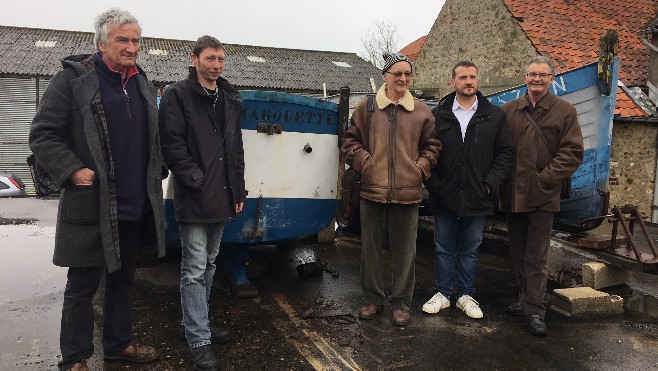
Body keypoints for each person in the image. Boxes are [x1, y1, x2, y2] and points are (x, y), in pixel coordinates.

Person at [28, 8, 166, 371]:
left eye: (136, 40)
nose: (131, 47)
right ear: (102, 42)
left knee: (124, 281)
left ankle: (118, 344)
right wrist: (72, 169)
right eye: (123, 39)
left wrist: (158, 166)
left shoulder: (141, 83)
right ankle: (74, 358)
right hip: (93, 202)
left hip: (136, 203)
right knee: (82, 287)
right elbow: (43, 134)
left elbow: (150, 138)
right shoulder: (73, 80)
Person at [158, 35, 247, 371]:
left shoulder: (227, 97)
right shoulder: (177, 95)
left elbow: (235, 150)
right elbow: (172, 145)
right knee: (194, 269)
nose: (217, 65)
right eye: (210, 59)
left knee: (209, 263)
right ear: (193, 58)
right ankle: (197, 340)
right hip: (196, 195)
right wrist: (195, 180)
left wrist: (238, 192)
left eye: (221, 59)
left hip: (223, 194)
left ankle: (199, 327)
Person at [341, 52, 441, 327]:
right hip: (372, 190)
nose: (403, 78)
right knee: (370, 250)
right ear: (385, 76)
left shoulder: (420, 110)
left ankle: (401, 303)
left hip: (408, 194)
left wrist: (419, 168)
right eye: (397, 73)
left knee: (405, 251)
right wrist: (366, 163)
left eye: (407, 74)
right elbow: (350, 142)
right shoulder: (367, 108)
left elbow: (432, 147)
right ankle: (373, 299)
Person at [500, 56, 584, 336]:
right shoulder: (510, 110)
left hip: (544, 195)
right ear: (525, 77)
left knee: (537, 255)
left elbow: (572, 152)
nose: (537, 79)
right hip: (513, 193)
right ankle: (527, 299)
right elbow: (500, 150)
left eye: (542, 75)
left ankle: (535, 309)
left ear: (551, 78)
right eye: (532, 74)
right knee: (518, 251)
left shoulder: (565, 111)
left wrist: (545, 179)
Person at [422, 61, 512, 319]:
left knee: (470, 249)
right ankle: (441, 293)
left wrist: (489, 183)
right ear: (453, 82)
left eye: (472, 77)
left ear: (477, 81)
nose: (468, 81)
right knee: (443, 247)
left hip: (478, 194)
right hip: (444, 193)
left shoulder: (495, 116)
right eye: (463, 77)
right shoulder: (437, 115)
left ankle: (464, 294)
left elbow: (505, 153)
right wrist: (434, 185)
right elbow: (424, 151)